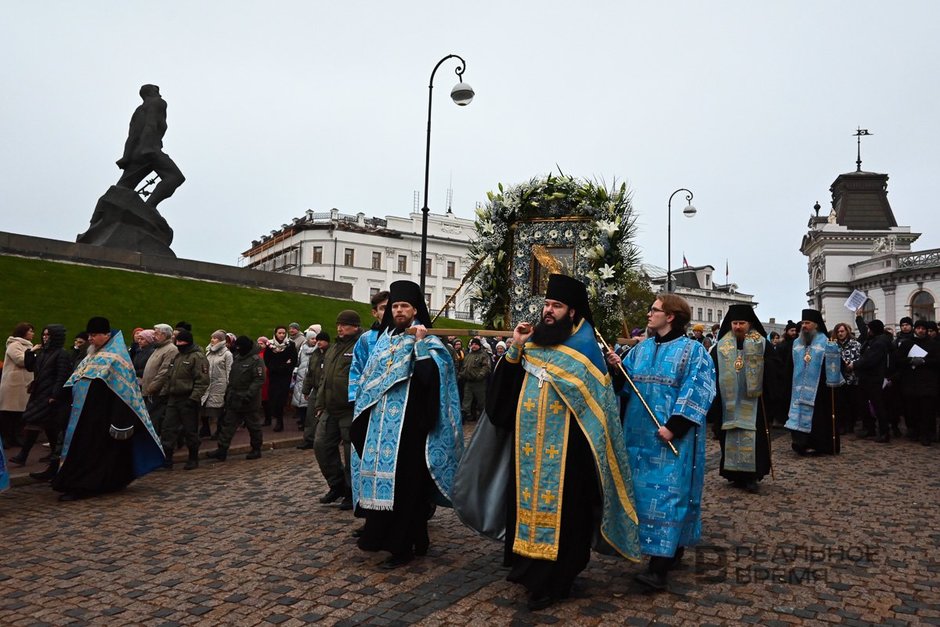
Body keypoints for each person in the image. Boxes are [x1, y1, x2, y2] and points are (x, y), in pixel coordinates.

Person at [485, 274, 640, 610]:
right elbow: (501, 398)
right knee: (524, 508)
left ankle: (558, 581)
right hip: (527, 452)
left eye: (556, 306)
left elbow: (600, 412)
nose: (548, 311)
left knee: (568, 517)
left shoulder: (585, 352)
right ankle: (528, 572)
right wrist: (515, 347)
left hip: (569, 457)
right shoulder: (533, 344)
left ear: (572, 311)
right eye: (547, 305)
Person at [350, 280, 463, 569]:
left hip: (412, 429)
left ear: (415, 310)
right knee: (391, 487)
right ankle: (407, 539)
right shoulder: (384, 341)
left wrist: (421, 346)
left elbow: (433, 380)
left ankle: (402, 548)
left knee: (408, 489)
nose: (399, 311)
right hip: (381, 428)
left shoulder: (431, 342)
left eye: (405, 306)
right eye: (395, 306)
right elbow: (368, 380)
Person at [607, 293, 716, 592]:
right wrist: (616, 370)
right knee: (642, 498)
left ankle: (658, 570)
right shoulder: (640, 350)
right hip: (637, 438)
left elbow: (700, 390)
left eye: (654, 310)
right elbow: (624, 388)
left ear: (670, 316)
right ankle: (668, 550)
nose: (649, 314)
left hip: (671, 440)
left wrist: (675, 426)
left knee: (668, 499)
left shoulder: (693, 352)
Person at [51, 317, 164, 501]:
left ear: (107, 335)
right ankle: (76, 482)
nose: (91, 339)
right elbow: (74, 379)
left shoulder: (117, 359)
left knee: (94, 452)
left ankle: (85, 486)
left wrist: (120, 422)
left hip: (102, 417)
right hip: (82, 415)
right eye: (89, 335)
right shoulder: (91, 354)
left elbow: (126, 393)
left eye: (95, 335)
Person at [706, 305, 776, 494]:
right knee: (729, 436)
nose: (737, 327)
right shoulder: (721, 346)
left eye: (741, 323)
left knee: (754, 440)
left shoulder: (761, 343)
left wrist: (762, 372)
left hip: (754, 403)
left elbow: (774, 369)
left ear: (750, 324)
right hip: (727, 402)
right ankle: (733, 473)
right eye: (735, 323)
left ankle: (752, 476)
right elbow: (711, 370)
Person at [314, 311, 363, 510]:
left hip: (349, 409)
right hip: (330, 408)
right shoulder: (334, 348)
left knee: (351, 453)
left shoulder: (361, 346)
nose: (339, 328)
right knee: (321, 446)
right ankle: (337, 485)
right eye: (338, 324)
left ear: (355, 326)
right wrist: (319, 404)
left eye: (344, 325)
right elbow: (325, 378)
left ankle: (352, 492)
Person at [10, 325, 73, 480]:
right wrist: (30, 352)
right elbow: (31, 367)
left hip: (50, 396)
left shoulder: (61, 354)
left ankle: (26, 455)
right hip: (39, 393)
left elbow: (61, 375)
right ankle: (52, 459)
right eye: (44, 334)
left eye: (48, 335)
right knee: (46, 426)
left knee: (38, 423)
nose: (45, 337)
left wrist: (55, 394)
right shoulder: (44, 353)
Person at [115, 84, 185, 207]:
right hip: (151, 150)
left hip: (137, 153)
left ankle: (100, 216)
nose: (160, 94)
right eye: (156, 91)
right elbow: (151, 124)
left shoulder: (138, 111)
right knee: (175, 177)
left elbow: (132, 136)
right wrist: (148, 147)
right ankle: (149, 207)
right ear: (149, 93)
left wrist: (126, 156)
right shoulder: (158, 102)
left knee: (123, 187)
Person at [785, 309, 843, 455]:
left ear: (816, 325)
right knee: (798, 414)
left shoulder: (826, 342)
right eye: (803, 322)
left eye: (807, 323)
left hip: (820, 389)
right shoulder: (796, 343)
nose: (804, 326)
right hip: (798, 389)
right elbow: (789, 365)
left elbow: (834, 366)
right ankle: (801, 443)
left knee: (819, 418)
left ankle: (820, 445)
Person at [208, 336, 264, 461]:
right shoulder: (238, 358)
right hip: (235, 398)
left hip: (249, 400)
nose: (238, 350)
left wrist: (249, 394)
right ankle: (222, 449)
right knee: (228, 425)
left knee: (253, 426)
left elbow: (259, 380)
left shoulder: (256, 360)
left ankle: (256, 449)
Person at [160, 330, 209, 470]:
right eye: (177, 341)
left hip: (188, 398)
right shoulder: (177, 356)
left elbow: (203, 380)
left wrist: (194, 398)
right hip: (173, 398)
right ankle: (167, 459)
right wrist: (165, 393)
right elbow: (169, 377)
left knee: (190, 430)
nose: (178, 344)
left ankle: (193, 458)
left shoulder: (197, 357)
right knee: (168, 428)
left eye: (181, 341)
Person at [850, 315, 893, 442]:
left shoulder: (879, 343)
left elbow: (869, 360)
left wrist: (854, 365)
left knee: (878, 406)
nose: (867, 331)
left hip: (873, 379)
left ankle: (884, 432)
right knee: (863, 404)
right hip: (866, 378)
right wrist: (859, 318)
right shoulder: (873, 340)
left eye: (869, 329)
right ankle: (870, 429)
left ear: (874, 330)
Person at [896, 319, 938, 445]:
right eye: (918, 328)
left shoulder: (933, 344)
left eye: (923, 328)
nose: (921, 331)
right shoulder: (907, 343)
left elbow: (937, 360)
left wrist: (924, 361)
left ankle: (926, 434)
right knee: (912, 409)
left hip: (927, 382)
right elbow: (898, 360)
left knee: (927, 410)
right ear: (915, 329)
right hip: (911, 382)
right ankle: (914, 431)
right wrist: (911, 361)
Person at [0, 322, 35, 448]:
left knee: (20, 414)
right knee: (9, 413)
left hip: (23, 385)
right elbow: (20, 360)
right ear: (23, 332)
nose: (32, 333)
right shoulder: (14, 344)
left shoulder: (27, 345)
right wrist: (33, 352)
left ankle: (15, 437)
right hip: (13, 385)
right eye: (30, 331)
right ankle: (5, 438)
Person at [140, 323, 178, 439]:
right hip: (149, 390)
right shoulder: (159, 348)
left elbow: (164, 372)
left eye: (157, 333)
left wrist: (152, 388)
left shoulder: (171, 350)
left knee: (154, 419)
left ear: (165, 335)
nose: (154, 335)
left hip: (157, 392)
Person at [297, 331, 329, 450]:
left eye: (321, 340)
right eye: (317, 340)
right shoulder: (315, 354)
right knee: (310, 415)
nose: (318, 342)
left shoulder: (330, 354)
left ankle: (324, 440)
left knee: (325, 417)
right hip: (315, 389)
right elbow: (309, 373)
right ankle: (309, 439)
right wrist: (306, 390)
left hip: (326, 390)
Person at [263, 326, 297, 432]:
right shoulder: (270, 346)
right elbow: (267, 360)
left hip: (285, 376)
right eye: (279, 333)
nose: (281, 335)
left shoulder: (290, 345)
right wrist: (279, 365)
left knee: (282, 398)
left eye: (283, 333)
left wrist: (285, 366)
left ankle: (280, 421)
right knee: (273, 397)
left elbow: (293, 360)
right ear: (275, 333)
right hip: (274, 375)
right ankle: (275, 417)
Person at [201, 330, 232, 439]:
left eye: (215, 338)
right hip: (208, 384)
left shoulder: (227, 354)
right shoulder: (208, 352)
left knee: (219, 410)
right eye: (212, 338)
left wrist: (228, 386)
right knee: (203, 408)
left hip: (220, 386)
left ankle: (220, 431)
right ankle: (205, 429)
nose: (212, 340)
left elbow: (229, 371)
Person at [459, 337, 491, 423]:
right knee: (466, 402)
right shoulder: (468, 356)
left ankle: (483, 420)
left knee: (481, 402)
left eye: (476, 344)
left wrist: (480, 376)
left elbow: (486, 368)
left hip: (479, 383)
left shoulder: (483, 355)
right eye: (472, 344)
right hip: (468, 382)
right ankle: (465, 417)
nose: (474, 346)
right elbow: (463, 368)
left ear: (479, 345)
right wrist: (460, 376)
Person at [291, 330, 318, 432]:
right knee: (300, 403)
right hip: (300, 378)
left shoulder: (317, 351)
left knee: (309, 404)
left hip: (310, 379)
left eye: (315, 339)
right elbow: (298, 362)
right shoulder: (303, 349)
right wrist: (296, 371)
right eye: (312, 339)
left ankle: (307, 423)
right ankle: (302, 420)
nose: (314, 341)